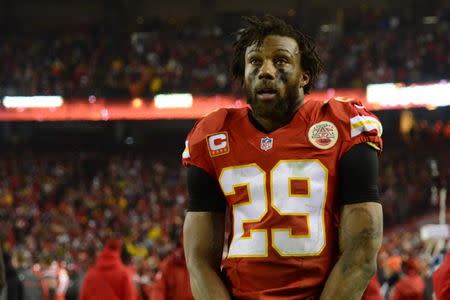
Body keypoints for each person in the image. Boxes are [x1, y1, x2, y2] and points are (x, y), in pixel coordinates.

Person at [182, 15, 383, 299]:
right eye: (254, 61)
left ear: (304, 75)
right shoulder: (212, 136)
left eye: (280, 60)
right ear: (243, 73)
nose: (265, 70)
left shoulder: (343, 125)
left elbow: (361, 254)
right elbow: (199, 261)